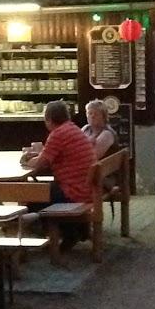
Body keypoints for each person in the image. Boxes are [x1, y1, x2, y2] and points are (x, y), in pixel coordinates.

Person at [20, 101, 96, 245]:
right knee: (40, 192)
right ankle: (72, 231)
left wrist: (25, 160)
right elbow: (50, 156)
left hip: (74, 192)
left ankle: (52, 235)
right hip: (86, 188)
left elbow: (41, 163)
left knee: (30, 197)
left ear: (48, 119)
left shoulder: (58, 134)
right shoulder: (73, 129)